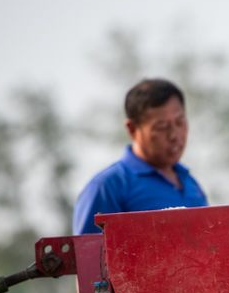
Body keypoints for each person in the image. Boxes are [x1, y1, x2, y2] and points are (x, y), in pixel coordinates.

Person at [73, 78, 207, 235]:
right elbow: (87, 256)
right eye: (162, 126)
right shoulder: (108, 187)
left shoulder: (191, 185)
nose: (174, 135)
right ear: (132, 129)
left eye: (180, 122)